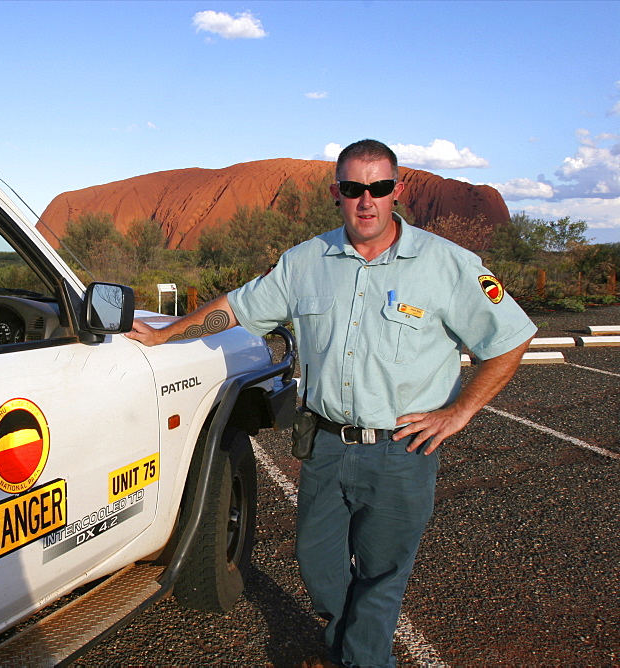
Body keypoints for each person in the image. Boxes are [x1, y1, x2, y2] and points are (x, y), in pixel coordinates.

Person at [125, 139, 536, 667]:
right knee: (318, 565)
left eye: (379, 188)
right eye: (353, 189)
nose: (367, 201)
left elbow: (510, 338)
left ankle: (359, 659)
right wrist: (169, 335)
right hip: (325, 444)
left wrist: (460, 412)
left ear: (397, 193)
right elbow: (239, 308)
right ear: (337, 194)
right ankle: (348, 647)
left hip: (400, 451)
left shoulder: (448, 265)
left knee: (382, 576)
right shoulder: (305, 262)